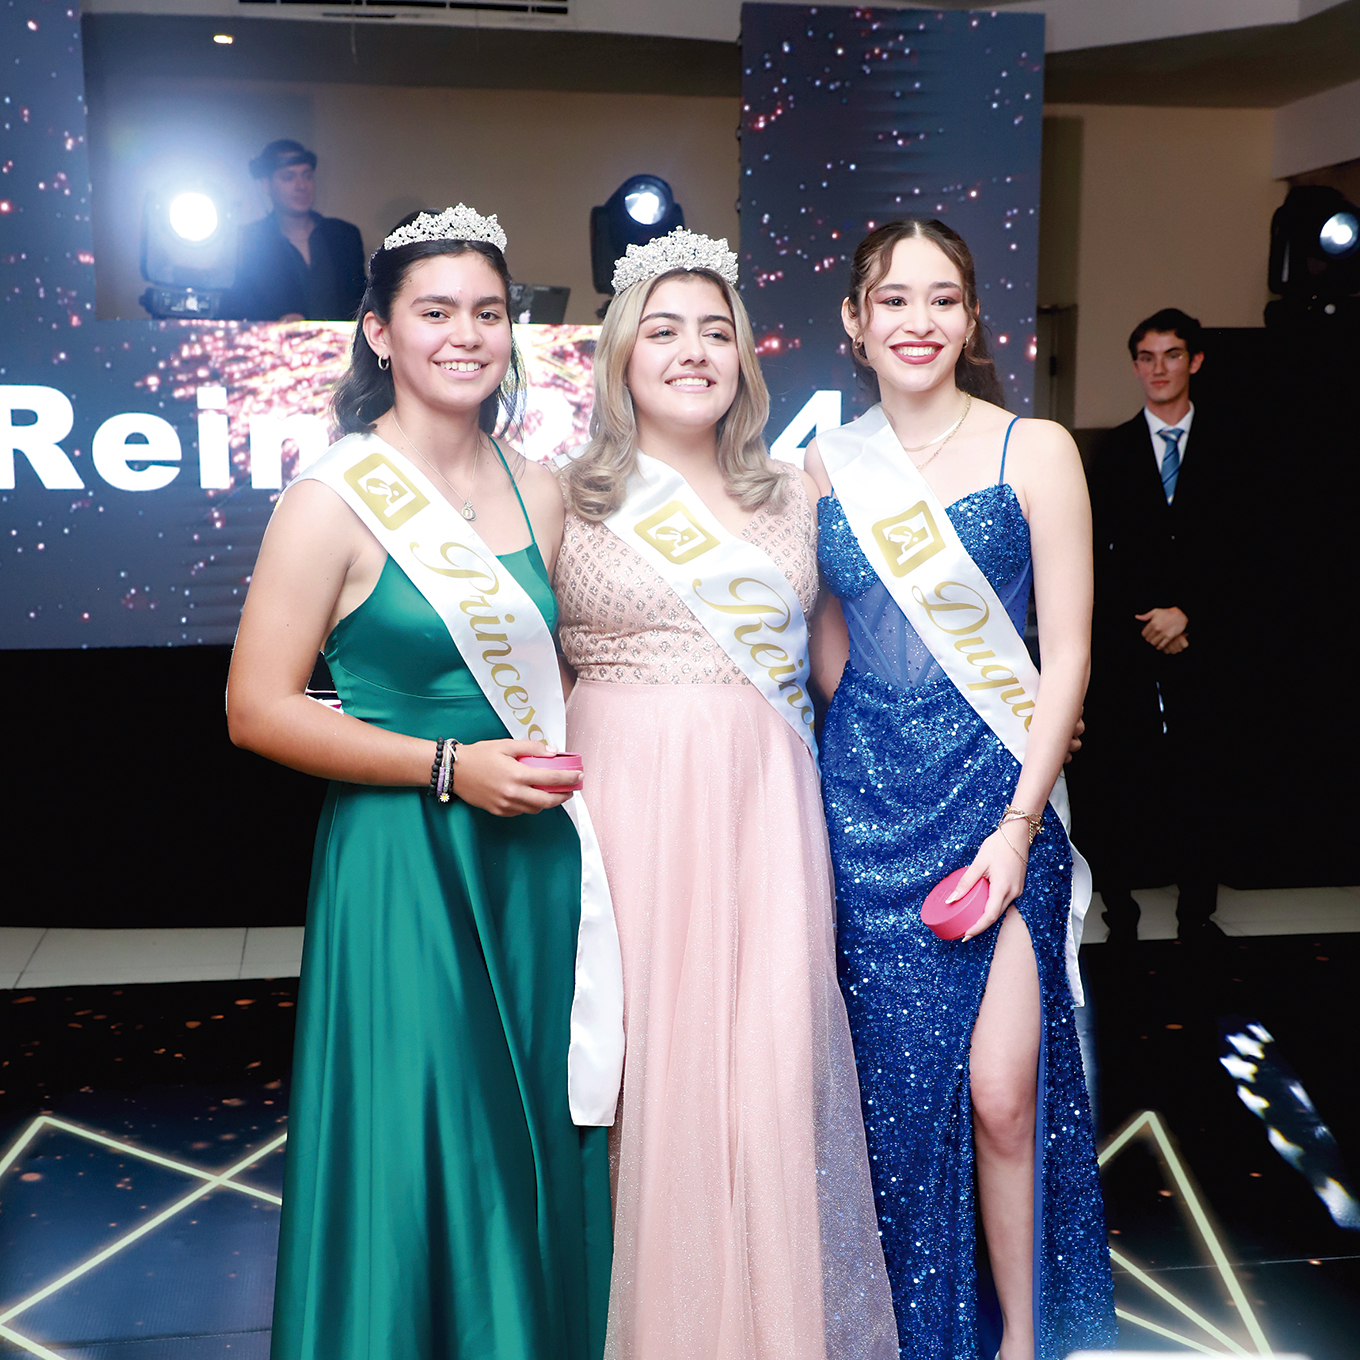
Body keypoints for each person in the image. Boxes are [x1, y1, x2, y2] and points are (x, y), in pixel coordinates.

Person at [226, 206, 616, 1360]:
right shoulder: (333, 498)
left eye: (487, 313)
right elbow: (257, 709)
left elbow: (574, 672)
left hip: (533, 864)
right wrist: (448, 767)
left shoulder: (541, 489)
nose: (466, 335)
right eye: (435, 312)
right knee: (426, 1142)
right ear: (379, 332)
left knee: (535, 1133)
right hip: (404, 864)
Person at [555, 228, 897, 1360]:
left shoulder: (795, 491)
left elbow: (847, 662)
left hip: (765, 810)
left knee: (768, 1079)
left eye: (716, 331)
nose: (693, 351)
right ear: (620, 354)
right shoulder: (561, 496)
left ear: (745, 356)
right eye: (664, 330)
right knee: (648, 1080)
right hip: (625, 815)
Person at [804, 219, 1116, 1360]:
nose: (918, 321)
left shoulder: (1035, 450)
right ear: (856, 321)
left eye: (942, 298)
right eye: (893, 299)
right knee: (895, 1111)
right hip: (868, 813)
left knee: (1000, 1092)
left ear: (972, 317)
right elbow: (827, 644)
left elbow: (1068, 656)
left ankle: (1022, 1339)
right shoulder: (824, 466)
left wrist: (1020, 823)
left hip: (997, 804)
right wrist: (875, 750)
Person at [1075, 308, 1223, 945]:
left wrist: (1190, 614)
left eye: (1172, 355)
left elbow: (1253, 551)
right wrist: (1147, 620)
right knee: (1115, 782)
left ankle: (1198, 917)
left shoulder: (1237, 447)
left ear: (1195, 361)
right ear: (1135, 366)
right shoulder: (1109, 453)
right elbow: (1092, 555)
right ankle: (1121, 915)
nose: (1158, 369)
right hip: (1126, 642)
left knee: (1204, 780)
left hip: (1206, 644)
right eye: (1146, 357)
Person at [225, 139, 366, 322]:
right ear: (266, 185)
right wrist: (276, 321)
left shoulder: (344, 235)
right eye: (288, 177)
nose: (301, 186)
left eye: (307, 176)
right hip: (277, 340)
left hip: (343, 339)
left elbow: (362, 300)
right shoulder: (252, 240)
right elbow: (239, 306)